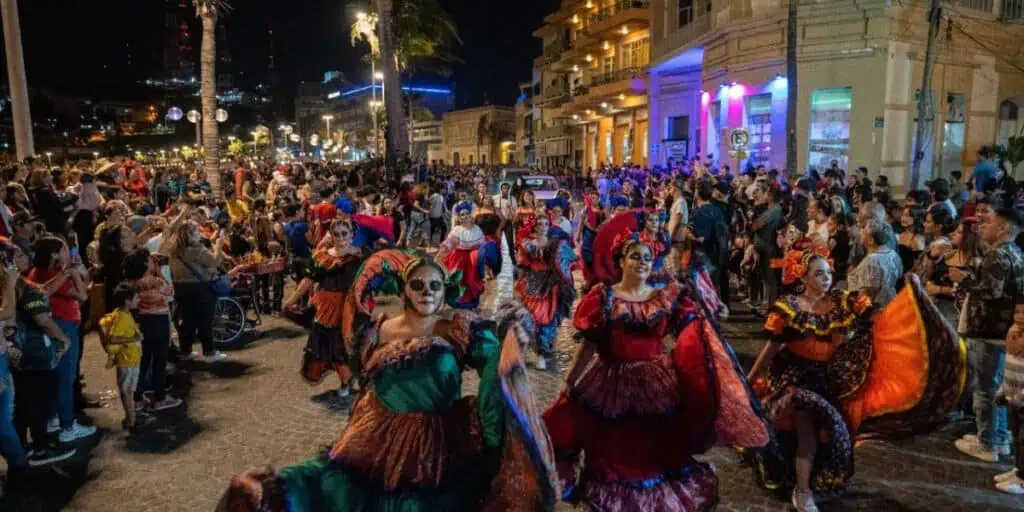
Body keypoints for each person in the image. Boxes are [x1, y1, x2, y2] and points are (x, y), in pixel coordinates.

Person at [219, 251, 557, 511]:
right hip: (375, 439)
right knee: (336, 487)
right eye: (419, 285)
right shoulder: (376, 331)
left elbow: (495, 369)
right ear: (404, 289)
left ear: (445, 291)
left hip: (437, 447)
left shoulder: (459, 330)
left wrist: (511, 347)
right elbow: (367, 383)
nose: (427, 292)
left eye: (435, 286)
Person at [543, 228, 767, 510]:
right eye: (635, 256)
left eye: (647, 258)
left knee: (653, 445)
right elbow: (588, 345)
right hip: (610, 381)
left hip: (655, 382)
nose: (642, 262)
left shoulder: (665, 297)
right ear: (621, 261)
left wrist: (709, 317)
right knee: (612, 444)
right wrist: (570, 380)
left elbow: (691, 328)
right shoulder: (603, 297)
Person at [745, 240, 965, 512]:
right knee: (808, 433)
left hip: (834, 376)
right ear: (801, 277)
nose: (826, 279)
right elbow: (772, 347)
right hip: (794, 378)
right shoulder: (789, 307)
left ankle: (805, 481)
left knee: (830, 433)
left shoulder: (842, 301)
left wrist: (913, 302)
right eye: (818, 274)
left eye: (828, 272)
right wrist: (749, 379)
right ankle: (802, 492)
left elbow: (881, 319)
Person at [951, 196, 1024, 461]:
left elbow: (991, 292)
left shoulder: (998, 254)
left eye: (990, 221)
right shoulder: (1015, 252)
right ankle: (999, 437)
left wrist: (964, 281)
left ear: (1004, 228)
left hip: (988, 329)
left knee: (984, 388)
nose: (984, 224)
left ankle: (987, 444)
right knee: (995, 387)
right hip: (1002, 330)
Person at [11, 242, 77, 466]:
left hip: (20, 352)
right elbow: (43, 319)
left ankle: (25, 445)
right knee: (35, 400)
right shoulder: (21, 288)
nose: (24, 256)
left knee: (23, 401)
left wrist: (65, 272)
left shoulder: (16, 286)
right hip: (34, 351)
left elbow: (44, 291)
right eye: (18, 254)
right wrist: (63, 338)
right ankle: (39, 448)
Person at [282, 219, 363, 397]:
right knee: (329, 346)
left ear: (351, 235)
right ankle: (346, 382)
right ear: (331, 236)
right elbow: (308, 280)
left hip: (349, 309)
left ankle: (348, 381)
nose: (341, 237)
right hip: (325, 308)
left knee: (347, 346)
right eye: (337, 234)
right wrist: (292, 300)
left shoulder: (360, 257)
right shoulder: (322, 257)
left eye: (344, 233)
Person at [27, 236, 94, 443]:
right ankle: (67, 426)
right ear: (55, 254)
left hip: (56, 324)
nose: (69, 252)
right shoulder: (57, 275)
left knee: (55, 376)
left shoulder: (36, 272)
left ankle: (54, 418)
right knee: (66, 378)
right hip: (63, 326)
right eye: (65, 248)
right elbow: (83, 296)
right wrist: (73, 273)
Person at [514, 215, 576, 370]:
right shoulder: (527, 245)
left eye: (546, 223)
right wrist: (517, 285)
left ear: (549, 226)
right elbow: (523, 267)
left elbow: (567, 262)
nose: (543, 226)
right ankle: (537, 351)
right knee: (532, 318)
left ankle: (542, 352)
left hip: (550, 285)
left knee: (547, 318)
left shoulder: (555, 244)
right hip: (532, 284)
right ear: (534, 227)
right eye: (539, 224)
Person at [123, 249, 181, 411]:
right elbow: (170, 295)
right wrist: (160, 273)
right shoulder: (156, 282)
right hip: (159, 321)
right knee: (159, 362)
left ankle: (138, 399)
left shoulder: (131, 284)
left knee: (144, 361)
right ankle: (160, 398)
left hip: (142, 323)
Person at [167, 219, 228, 363]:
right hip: (200, 288)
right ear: (188, 234)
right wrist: (218, 246)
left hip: (180, 288)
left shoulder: (173, 250)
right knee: (205, 320)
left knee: (188, 321)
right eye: (196, 231)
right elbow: (214, 262)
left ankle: (185, 351)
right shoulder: (196, 249)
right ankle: (209, 352)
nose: (199, 234)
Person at [437, 201, 500, 310]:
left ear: (470, 216)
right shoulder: (457, 230)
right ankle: (458, 302)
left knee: (472, 281)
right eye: (462, 215)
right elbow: (447, 244)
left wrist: (487, 266)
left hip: (472, 260)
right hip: (459, 259)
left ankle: (472, 303)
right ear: (459, 218)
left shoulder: (477, 229)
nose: (465, 216)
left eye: (467, 214)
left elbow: (483, 249)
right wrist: (438, 255)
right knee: (458, 280)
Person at [99, 284, 144, 429]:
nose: (138, 299)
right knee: (127, 391)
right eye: (136, 297)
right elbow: (112, 338)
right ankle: (131, 420)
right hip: (127, 360)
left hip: (130, 359)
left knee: (128, 390)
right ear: (127, 301)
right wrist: (133, 339)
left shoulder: (122, 313)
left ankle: (131, 418)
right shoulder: (122, 317)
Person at [994, 301, 1024, 494]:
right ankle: (1019, 470)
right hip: (1014, 398)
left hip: (1021, 399)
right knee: (1017, 437)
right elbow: (1010, 368)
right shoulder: (1014, 331)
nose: (1019, 316)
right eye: (1017, 311)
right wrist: (1003, 391)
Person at [848, 219, 902, 308]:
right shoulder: (893, 254)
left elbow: (866, 292)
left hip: (873, 308)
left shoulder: (871, 261)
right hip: (890, 302)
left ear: (870, 240)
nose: (860, 232)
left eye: (863, 231)